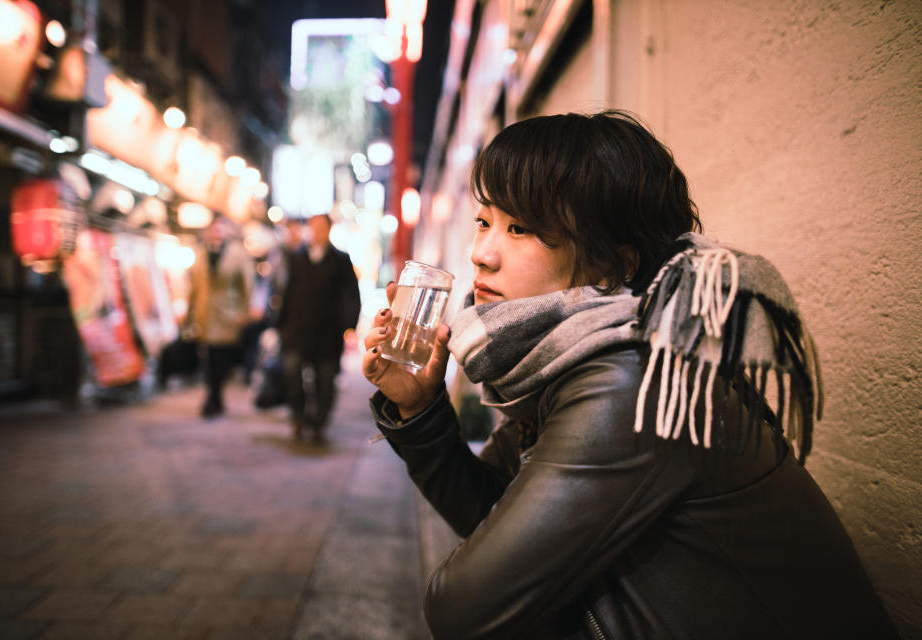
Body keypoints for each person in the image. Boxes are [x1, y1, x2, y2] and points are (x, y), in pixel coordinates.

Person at [362, 111, 897, 639]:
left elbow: (462, 608)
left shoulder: (631, 378)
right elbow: (490, 515)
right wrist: (420, 408)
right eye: (484, 221)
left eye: (520, 228)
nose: (481, 254)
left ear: (611, 265)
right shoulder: (568, 359)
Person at [277, 213, 361, 441]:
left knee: (325, 381)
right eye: (313, 226)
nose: (316, 231)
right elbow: (287, 294)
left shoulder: (340, 260)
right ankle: (299, 417)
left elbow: (352, 296)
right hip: (297, 330)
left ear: (329, 229)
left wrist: (348, 326)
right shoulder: (298, 258)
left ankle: (319, 424)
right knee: (292, 373)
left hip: (328, 333)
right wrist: (280, 325)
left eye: (321, 226)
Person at [187, 215, 255, 418]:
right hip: (205, 315)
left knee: (221, 358)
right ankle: (213, 397)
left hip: (228, 315)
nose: (216, 232)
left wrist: (245, 312)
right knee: (208, 357)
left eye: (220, 228)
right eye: (213, 228)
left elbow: (247, 285)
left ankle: (214, 397)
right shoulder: (200, 254)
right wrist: (190, 313)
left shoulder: (238, 254)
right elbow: (194, 286)